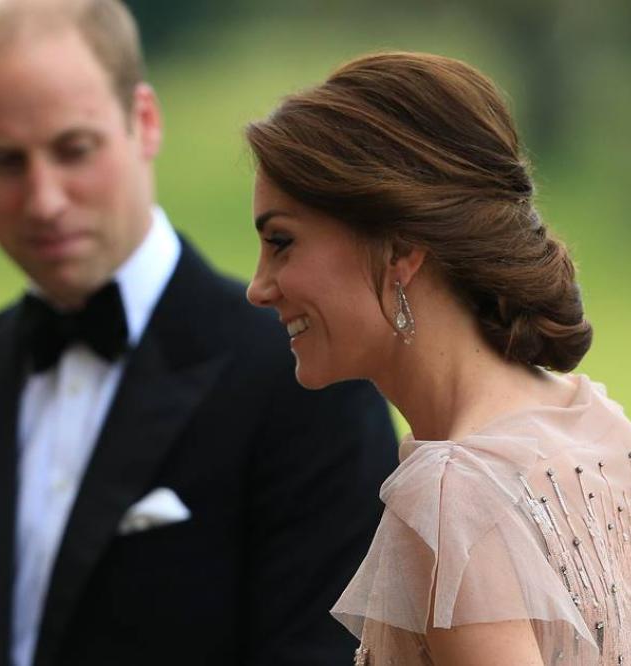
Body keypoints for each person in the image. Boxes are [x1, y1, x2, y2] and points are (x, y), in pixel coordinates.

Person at [0, 1, 398, 665]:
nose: (43, 199)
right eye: (5, 162)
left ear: (144, 122)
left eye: (74, 149)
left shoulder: (306, 381)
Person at [244, 51, 631, 665]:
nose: (259, 287)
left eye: (282, 243)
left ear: (399, 248)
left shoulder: (453, 495)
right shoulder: (598, 424)